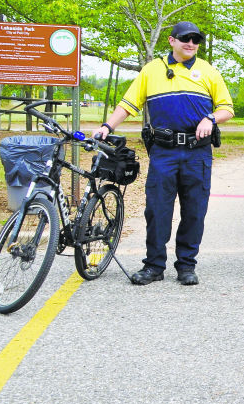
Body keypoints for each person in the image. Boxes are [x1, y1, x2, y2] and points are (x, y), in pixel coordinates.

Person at [93, 21, 234, 286]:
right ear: (171, 41)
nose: (191, 43)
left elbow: (227, 108)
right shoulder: (152, 70)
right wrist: (107, 126)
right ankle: (154, 266)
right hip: (163, 152)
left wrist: (211, 119)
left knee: (194, 211)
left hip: (196, 153)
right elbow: (128, 104)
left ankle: (186, 266)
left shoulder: (208, 71)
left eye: (196, 39)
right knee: (157, 210)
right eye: (185, 39)